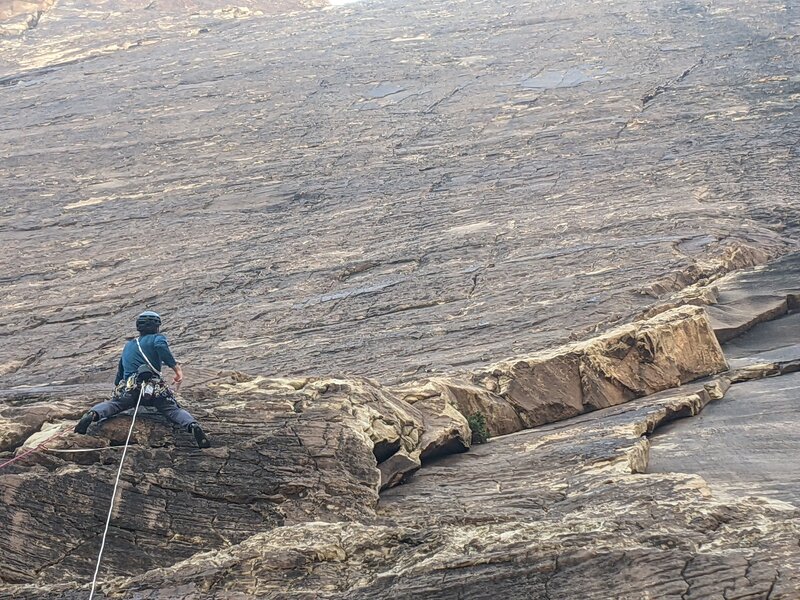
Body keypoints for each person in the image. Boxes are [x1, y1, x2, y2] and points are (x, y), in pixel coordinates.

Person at [75, 311, 211, 449]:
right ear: (157, 327)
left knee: (115, 405)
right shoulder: (157, 338)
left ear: (138, 327)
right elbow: (160, 347)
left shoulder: (129, 345)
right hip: (155, 390)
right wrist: (176, 369)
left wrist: (119, 390)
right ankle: (192, 425)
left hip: (130, 388)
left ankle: (93, 414)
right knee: (172, 410)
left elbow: (120, 372)